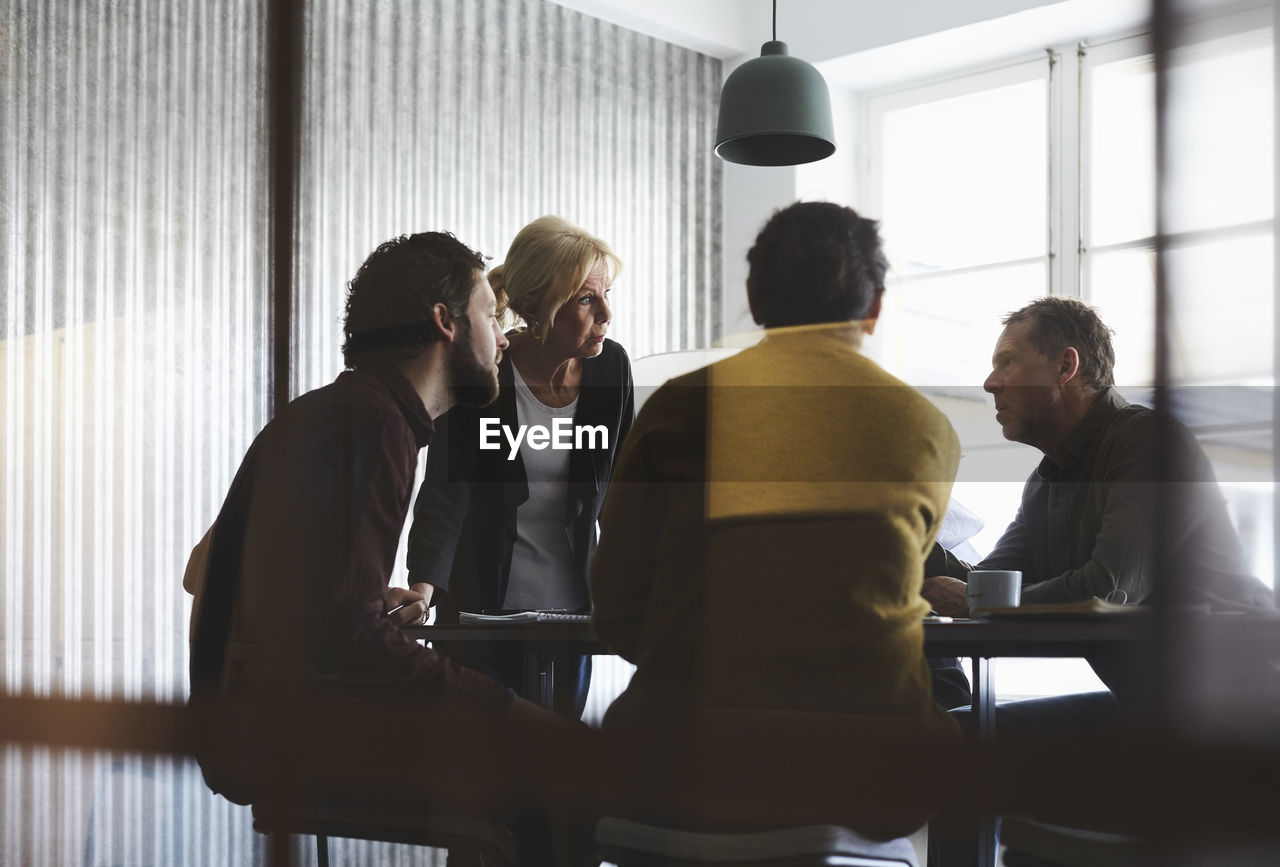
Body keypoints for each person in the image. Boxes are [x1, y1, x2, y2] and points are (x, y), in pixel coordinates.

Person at [589, 202, 961, 836]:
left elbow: (619, 607)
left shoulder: (680, 407)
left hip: (684, 763)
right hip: (868, 777)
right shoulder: (927, 429)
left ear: (755, 299)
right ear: (874, 309)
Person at [188, 232, 571, 839]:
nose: (502, 338)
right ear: (445, 322)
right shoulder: (372, 426)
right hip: (296, 736)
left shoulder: (335, 411)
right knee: (559, 766)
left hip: (257, 726)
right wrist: (505, 710)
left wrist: (356, 598)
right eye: (490, 315)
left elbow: (213, 572)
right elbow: (353, 642)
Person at [921, 296, 1274, 867]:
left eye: (1007, 362)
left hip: (1237, 719)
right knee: (956, 738)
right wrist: (906, 537)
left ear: (1066, 366)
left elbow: (1110, 589)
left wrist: (974, 598)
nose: (990, 383)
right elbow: (985, 585)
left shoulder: (1144, 444)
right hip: (1148, 712)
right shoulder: (1047, 481)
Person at [406, 215, 634, 719]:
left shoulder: (611, 368)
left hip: (572, 614)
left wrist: (644, 591)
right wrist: (423, 585)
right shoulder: (485, 370)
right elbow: (448, 488)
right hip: (480, 606)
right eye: (586, 299)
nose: (607, 313)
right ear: (534, 307)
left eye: (607, 294)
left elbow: (621, 494)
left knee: (555, 769)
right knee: (485, 770)